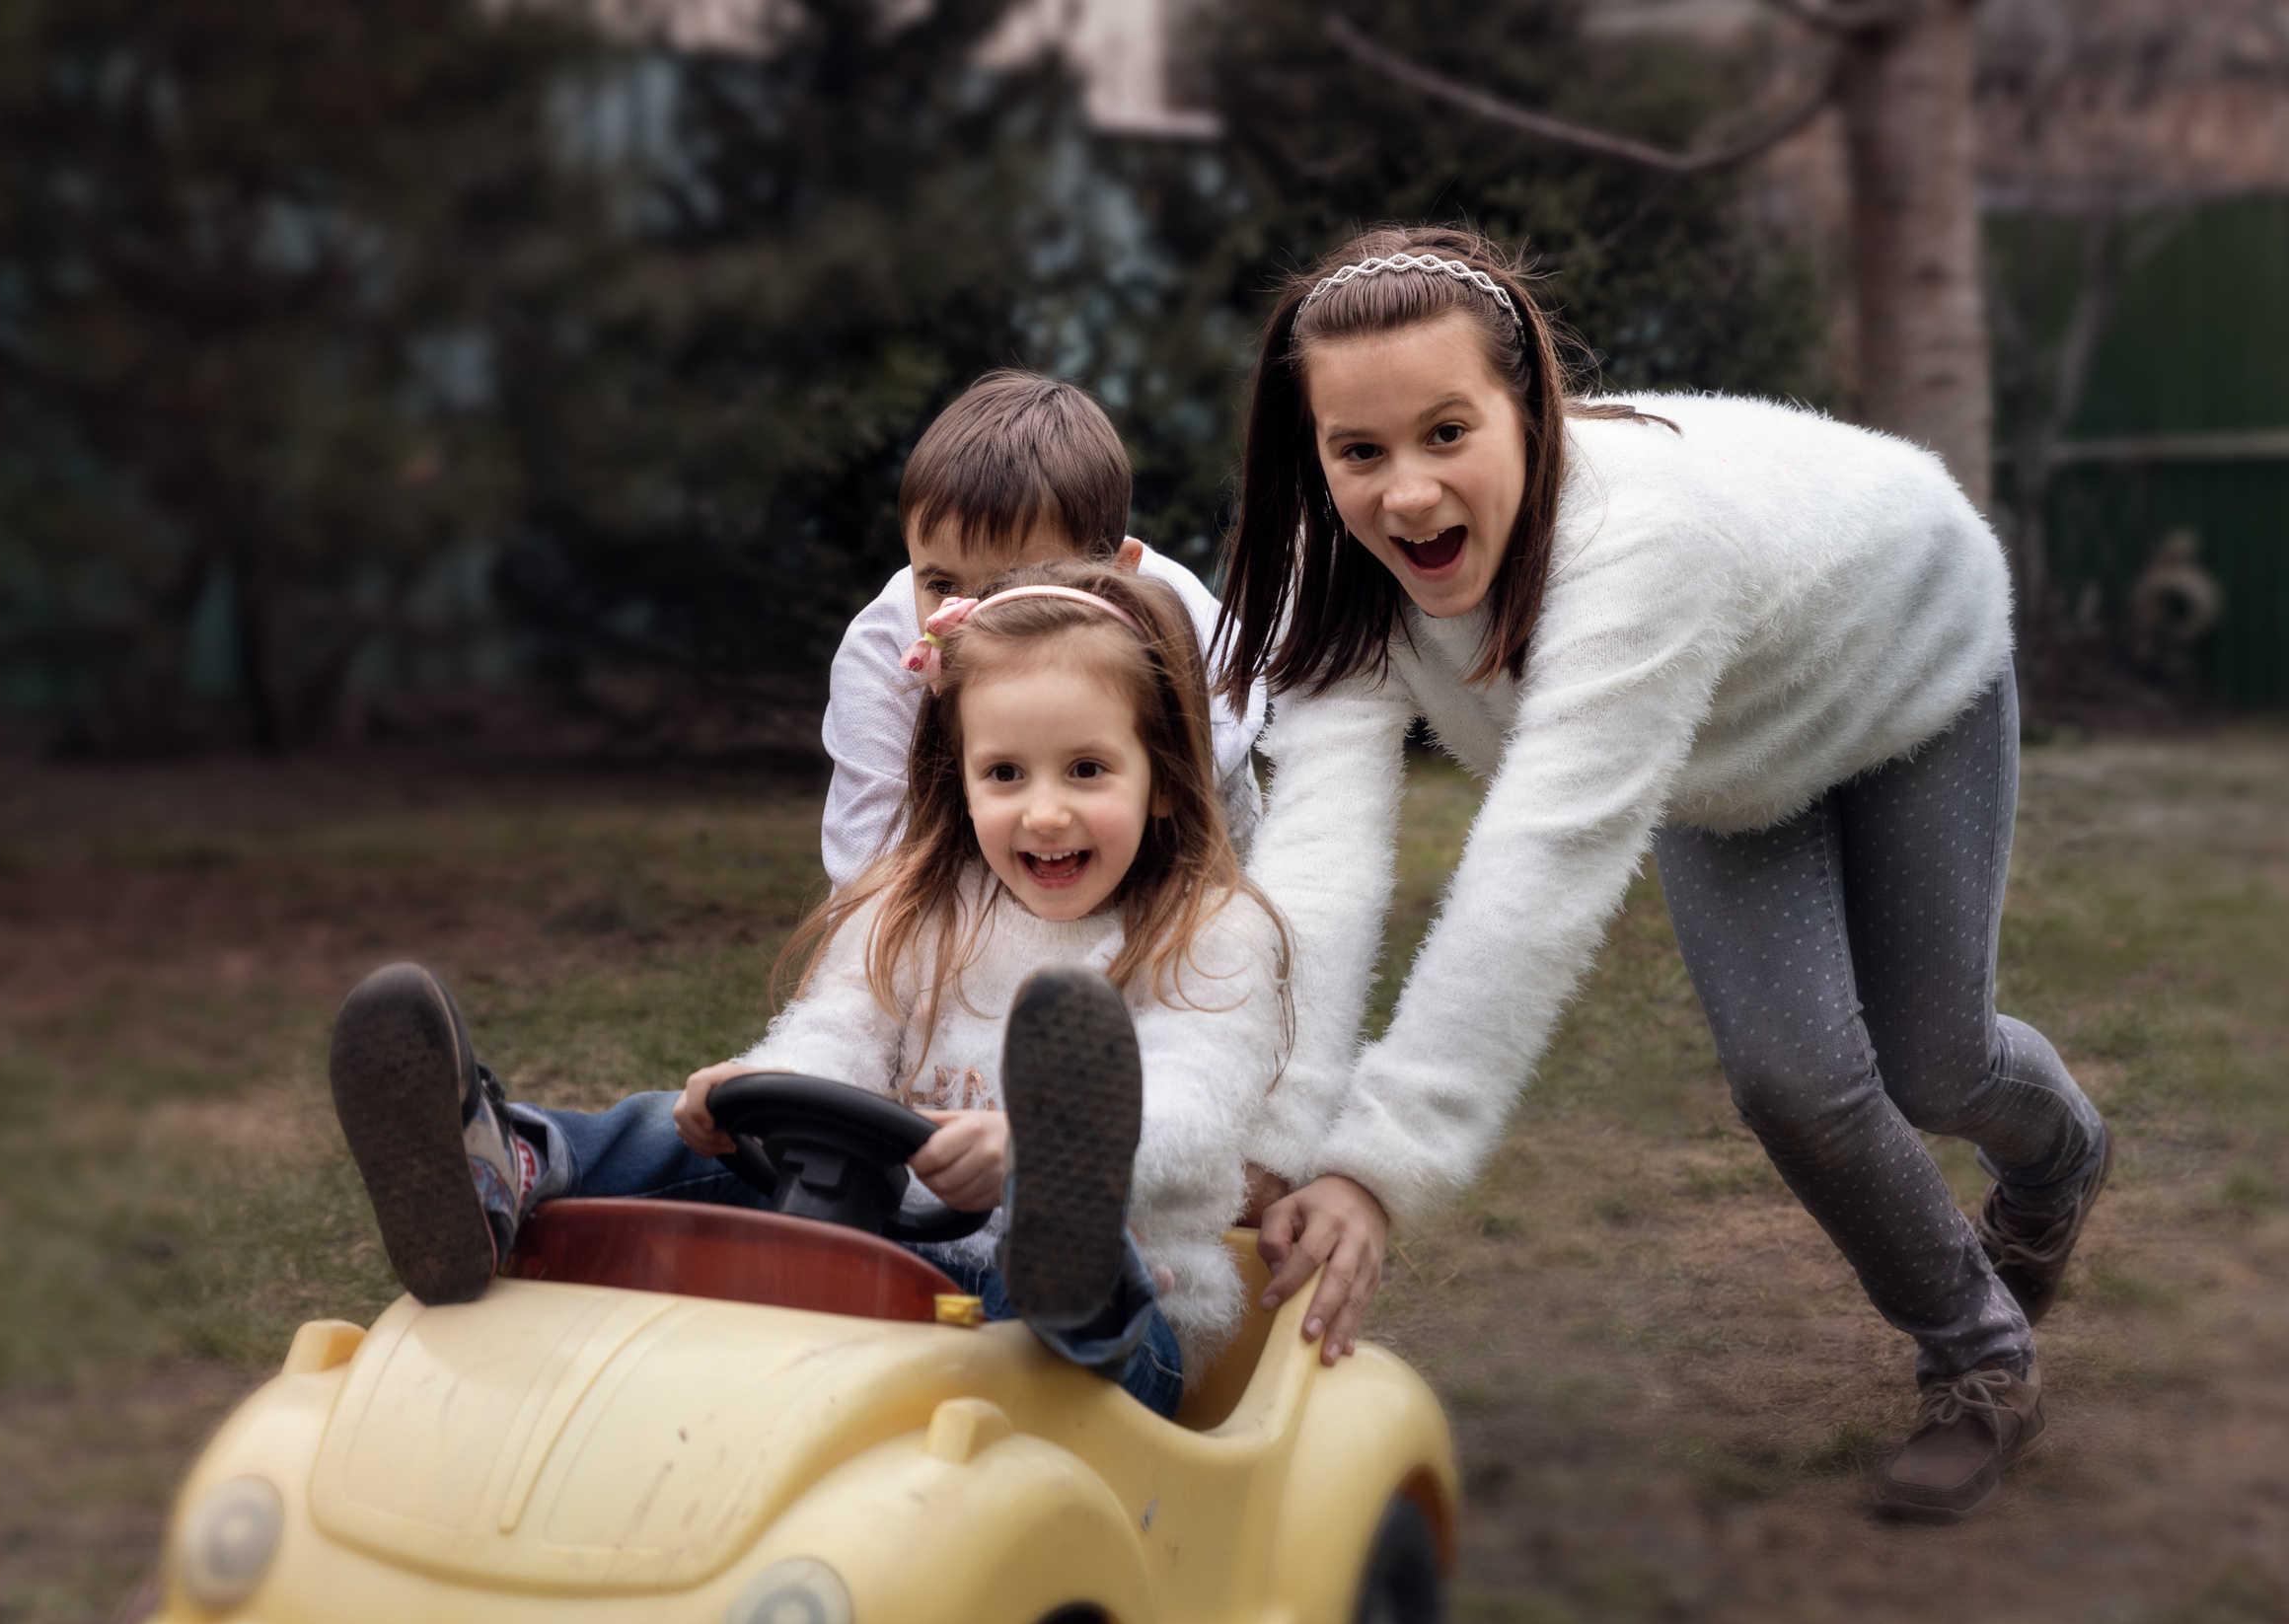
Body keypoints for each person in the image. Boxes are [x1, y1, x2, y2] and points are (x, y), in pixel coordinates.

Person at [1220, 226, 2111, 1521]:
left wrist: (1378, 1163)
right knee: (1794, 1082)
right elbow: (1324, 862)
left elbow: (1539, 866)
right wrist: (1282, 1132)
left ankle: (2057, 1161)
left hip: (1904, 658)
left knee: (1937, 1064)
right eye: (1360, 451)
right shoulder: (1343, 581)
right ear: (1316, 453)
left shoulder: (1639, 550)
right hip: (1725, 744)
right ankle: (1980, 1358)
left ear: (1530, 409)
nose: (1405, 494)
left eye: (1447, 433)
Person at [328, 561, 1291, 1419]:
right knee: (670, 1122)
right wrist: (755, 1087)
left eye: (1086, 768)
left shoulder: (1209, 933)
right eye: (1004, 772)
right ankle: (507, 1164)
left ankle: (1066, 1260)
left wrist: (1037, 1149)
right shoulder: (918, 907)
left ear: (1164, 777)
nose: (1043, 810)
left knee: (1069, 1292)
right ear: (959, 780)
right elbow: (834, 1035)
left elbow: (1196, 1113)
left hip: (1121, 1317)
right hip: (890, 1251)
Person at [822, 370, 1270, 890]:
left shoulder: (1189, 643)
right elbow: (872, 877)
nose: (972, 619)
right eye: (942, 584)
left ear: (1116, 573)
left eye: (1013, 585)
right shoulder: (882, 658)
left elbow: (1215, 853)